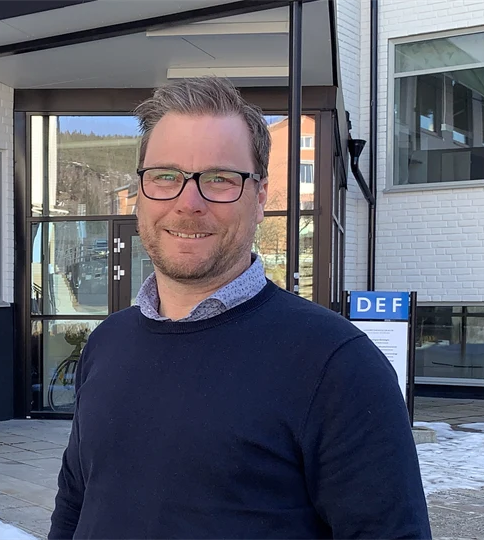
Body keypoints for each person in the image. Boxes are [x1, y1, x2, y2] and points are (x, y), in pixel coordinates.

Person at [47, 77, 431, 540]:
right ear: (141, 193)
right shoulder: (108, 342)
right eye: (165, 176)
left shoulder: (336, 365)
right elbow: (76, 502)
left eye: (220, 179)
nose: (189, 203)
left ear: (261, 197)